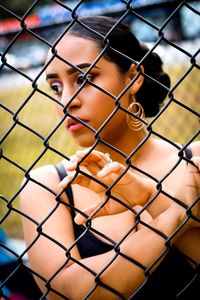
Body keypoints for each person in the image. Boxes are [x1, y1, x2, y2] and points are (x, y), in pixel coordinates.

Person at [19, 16, 200, 299]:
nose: (67, 101)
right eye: (55, 88)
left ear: (133, 77)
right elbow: (65, 293)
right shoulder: (48, 187)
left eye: (84, 78)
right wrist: (175, 216)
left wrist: (152, 201)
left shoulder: (195, 161)